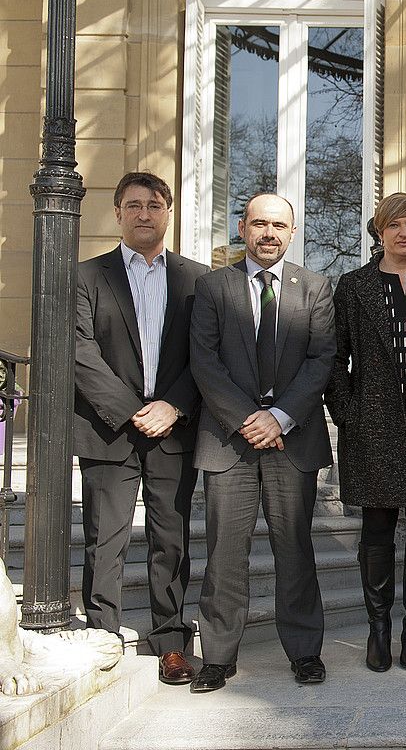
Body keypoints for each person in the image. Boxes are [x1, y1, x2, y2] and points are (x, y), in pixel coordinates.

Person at [188, 193, 335, 693]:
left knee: (294, 549)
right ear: (242, 228)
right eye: (259, 224)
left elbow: (322, 361)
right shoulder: (212, 288)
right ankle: (218, 657)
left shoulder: (315, 288)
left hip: (290, 439)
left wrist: (279, 417)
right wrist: (249, 418)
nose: (269, 233)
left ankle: (305, 652)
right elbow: (204, 361)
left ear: (293, 232)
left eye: (279, 225)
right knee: (224, 552)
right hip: (229, 439)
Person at [73, 171, 209, 685]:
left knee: (170, 540)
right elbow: (79, 351)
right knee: (104, 539)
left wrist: (173, 405)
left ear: (167, 212)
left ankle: (171, 643)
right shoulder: (86, 276)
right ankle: (103, 638)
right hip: (109, 428)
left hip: (173, 429)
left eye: (154, 205)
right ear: (118, 213)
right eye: (133, 205)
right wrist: (133, 408)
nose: (144, 213)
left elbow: (207, 356)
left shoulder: (198, 280)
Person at [326, 193, 406, 673]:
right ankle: (378, 629)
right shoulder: (354, 286)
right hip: (374, 426)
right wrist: (348, 413)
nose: (405, 232)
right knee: (377, 529)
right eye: (395, 224)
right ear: (378, 231)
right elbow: (334, 357)